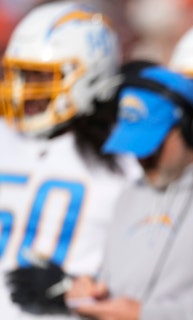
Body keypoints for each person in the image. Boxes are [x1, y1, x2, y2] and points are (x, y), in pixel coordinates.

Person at [63, 64, 193, 319]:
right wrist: (89, 292)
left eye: (152, 144)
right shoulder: (132, 192)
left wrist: (144, 315)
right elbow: (116, 287)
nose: (141, 158)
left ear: (191, 129)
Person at [0, 2, 141, 318]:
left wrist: (78, 290)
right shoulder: (5, 137)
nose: (23, 91)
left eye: (38, 77)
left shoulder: (125, 161)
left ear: (89, 76)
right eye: (17, 75)